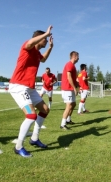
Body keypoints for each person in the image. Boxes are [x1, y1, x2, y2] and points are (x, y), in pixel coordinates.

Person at [9, 26, 53, 157]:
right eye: (44, 39)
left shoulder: (37, 53)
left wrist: (50, 46)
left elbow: (43, 59)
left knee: (45, 109)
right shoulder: (27, 46)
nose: (45, 41)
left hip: (29, 87)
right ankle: (18, 146)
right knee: (31, 115)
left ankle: (34, 138)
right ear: (38, 39)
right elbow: (30, 42)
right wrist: (46, 33)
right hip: (18, 86)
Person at [60, 51, 79, 130]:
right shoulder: (69, 64)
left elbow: (75, 79)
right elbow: (69, 77)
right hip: (67, 89)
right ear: (74, 56)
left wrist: (78, 86)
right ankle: (62, 124)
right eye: (78, 56)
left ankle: (68, 120)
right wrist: (74, 87)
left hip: (70, 89)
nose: (79, 58)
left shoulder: (73, 66)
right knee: (69, 105)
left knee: (73, 104)